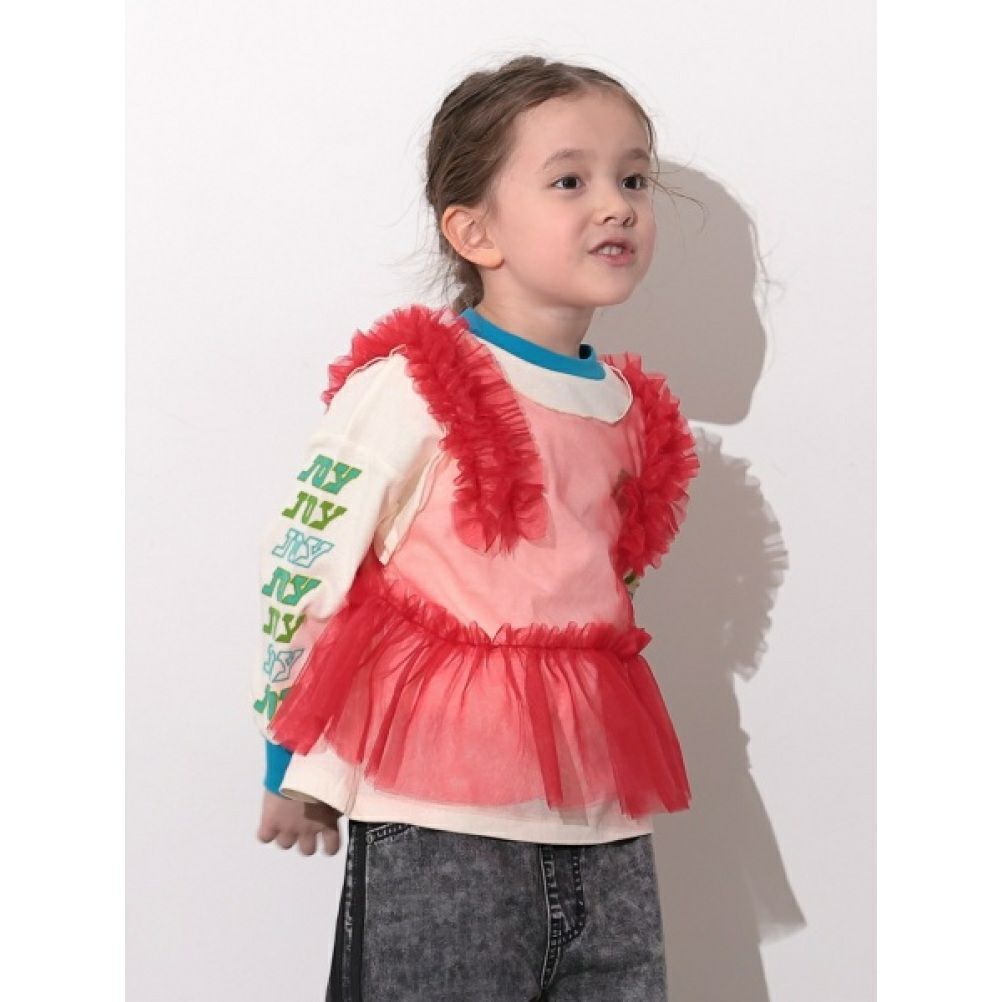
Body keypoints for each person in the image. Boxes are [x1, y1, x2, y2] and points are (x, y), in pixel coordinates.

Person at [251, 53, 701, 1002]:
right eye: (570, 181)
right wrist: (287, 755)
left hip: (601, 821)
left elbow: (599, 589)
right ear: (475, 231)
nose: (616, 206)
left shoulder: (628, 410)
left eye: (633, 179)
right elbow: (306, 563)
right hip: (436, 821)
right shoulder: (414, 384)